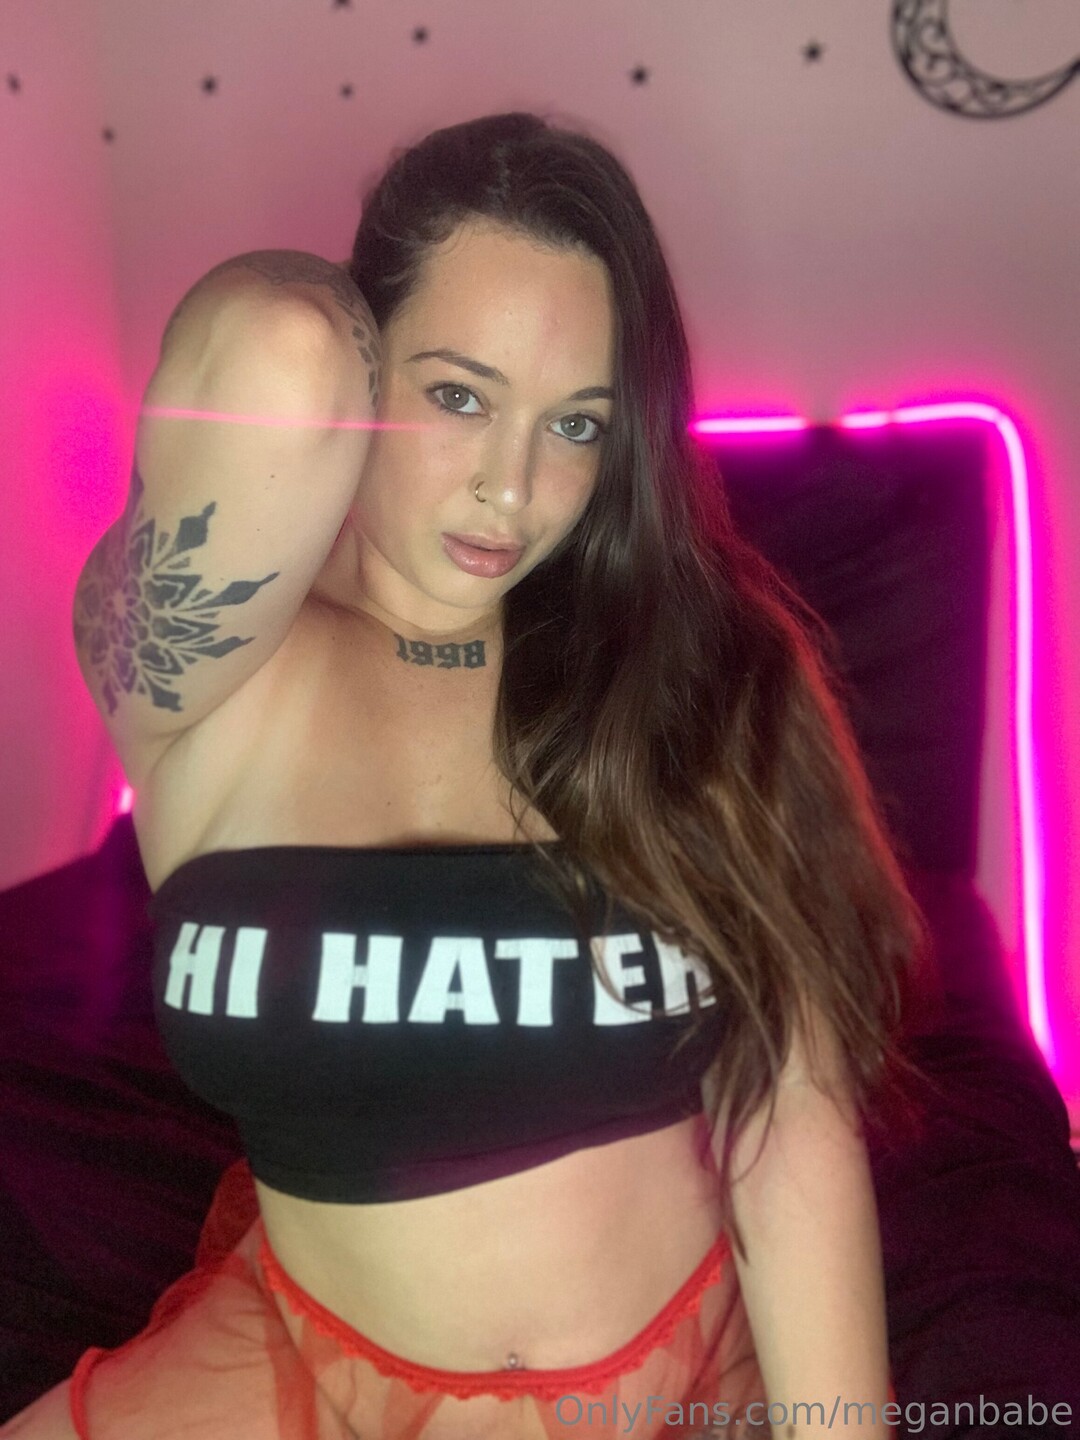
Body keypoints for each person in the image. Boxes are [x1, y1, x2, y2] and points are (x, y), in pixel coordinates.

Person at [5, 111, 929, 1440]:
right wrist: (331, 326)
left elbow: (789, 1115)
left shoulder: (696, 667)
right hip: (309, 1375)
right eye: (458, 396)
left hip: (675, 1389)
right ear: (363, 369)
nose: (512, 488)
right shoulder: (203, 678)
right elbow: (274, 344)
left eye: (576, 424)